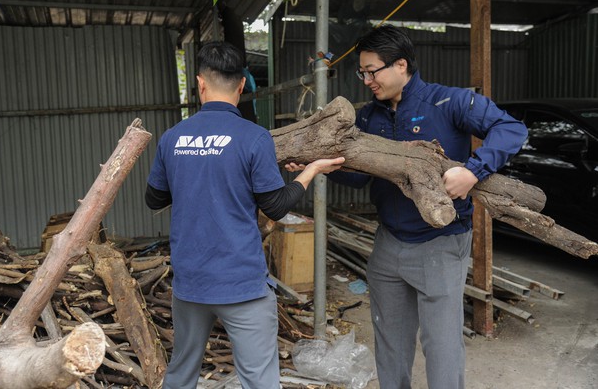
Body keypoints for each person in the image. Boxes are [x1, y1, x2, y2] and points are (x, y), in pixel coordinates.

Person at [327, 25, 528, 389]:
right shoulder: (369, 118)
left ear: (401, 65)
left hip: (440, 240)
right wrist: (322, 165)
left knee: (441, 343)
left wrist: (473, 170)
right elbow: (358, 179)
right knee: (389, 338)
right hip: (388, 242)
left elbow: (511, 129)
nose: (366, 80)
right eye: (363, 72)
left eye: (372, 71)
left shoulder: (448, 102)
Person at [145, 41, 344, 389]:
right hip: (242, 286)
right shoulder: (254, 138)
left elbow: (154, 199)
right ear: (241, 86)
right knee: (259, 381)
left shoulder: (172, 138)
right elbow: (277, 207)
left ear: (200, 84)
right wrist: (310, 171)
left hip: (190, 284)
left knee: (180, 374)